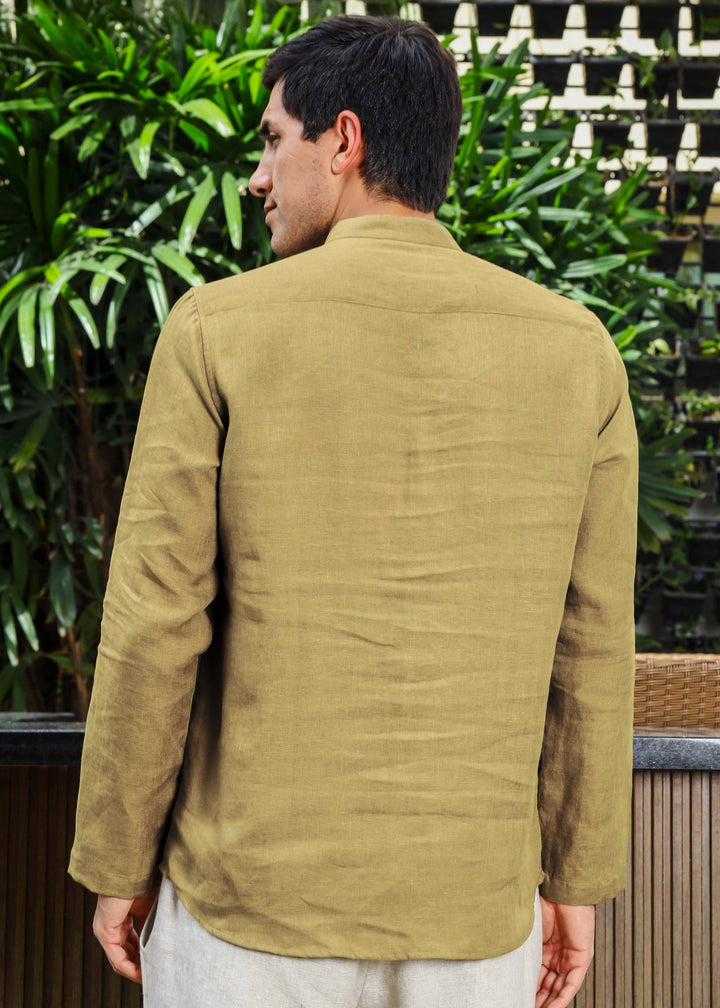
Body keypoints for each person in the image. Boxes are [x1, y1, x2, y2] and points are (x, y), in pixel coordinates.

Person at [69, 15, 638, 1008]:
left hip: (248, 913)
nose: (258, 178)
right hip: (474, 917)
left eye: (272, 140)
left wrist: (118, 857)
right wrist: (575, 881)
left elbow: (156, 622)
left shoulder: (216, 330)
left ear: (344, 141)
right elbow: (589, 646)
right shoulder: (577, 350)